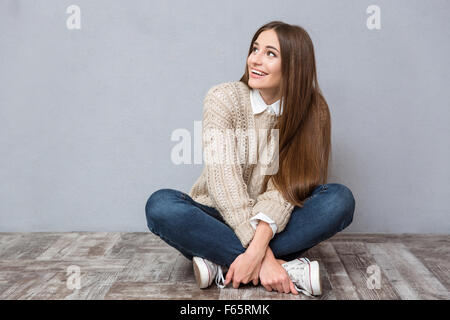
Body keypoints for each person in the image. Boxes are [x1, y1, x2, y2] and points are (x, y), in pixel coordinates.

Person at [145, 21, 355, 297]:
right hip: (219, 214)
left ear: (295, 65)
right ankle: (281, 268)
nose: (255, 59)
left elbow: (289, 188)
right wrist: (264, 257)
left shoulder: (313, 110)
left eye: (270, 53)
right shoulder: (223, 98)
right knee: (161, 205)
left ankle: (221, 264)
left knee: (339, 199)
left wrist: (259, 244)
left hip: (276, 222)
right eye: (255, 49)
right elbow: (224, 180)